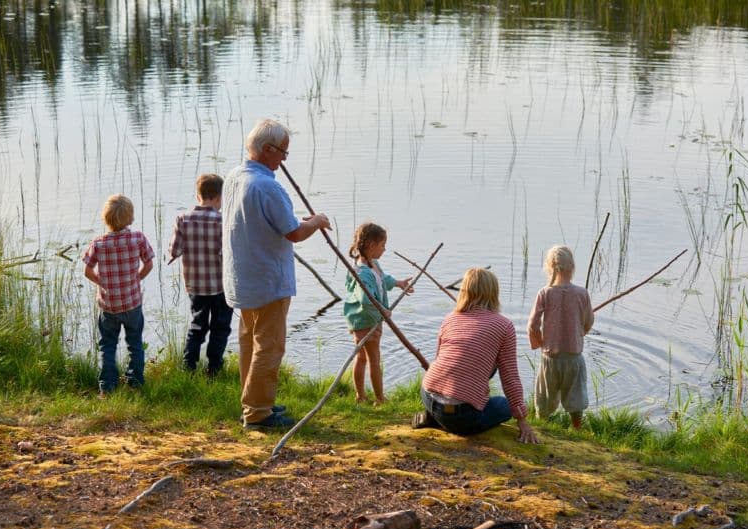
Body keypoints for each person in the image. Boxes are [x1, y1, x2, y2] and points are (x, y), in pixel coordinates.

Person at [222, 119, 331, 429]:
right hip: (267, 280)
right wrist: (317, 221)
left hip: (242, 277)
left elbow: (265, 220)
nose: (284, 159)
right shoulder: (266, 185)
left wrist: (302, 222)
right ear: (268, 150)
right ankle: (258, 413)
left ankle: (255, 403)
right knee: (269, 347)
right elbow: (294, 232)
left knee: (249, 344)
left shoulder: (234, 177)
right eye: (283, 152)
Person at [412, 268, 539, 443]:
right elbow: (510, 377)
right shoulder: (504, 326)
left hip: (428, 396)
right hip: (461, 416)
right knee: (504, 405)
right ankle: (451, 416)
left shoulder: (450, 318)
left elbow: (440, 360)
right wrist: (522, 421)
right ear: (493, 293)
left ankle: (433, 417)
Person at [83, 194, 155, 397]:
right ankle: (135, 383)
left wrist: (102, 282)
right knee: (135, 344)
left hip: (109, 306)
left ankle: (107, 386)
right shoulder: (137, 238)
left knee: (107, 346)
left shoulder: (98, 243)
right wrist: (137, 278)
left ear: (105, 219)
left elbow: (87, 271)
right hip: (132, 303)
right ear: (130, 218)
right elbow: (149, 263)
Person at [169, 173, 233, 377]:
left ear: (199, 196)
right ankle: (214, 368)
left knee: (197, 325)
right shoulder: (223, 221)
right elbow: (229, 254)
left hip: (195, 286)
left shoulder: (183, 219)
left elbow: (174, 251)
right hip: (221, 286)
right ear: (219, 196)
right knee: (220, 327)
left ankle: (188, 366)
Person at [343, 222, 413, 405]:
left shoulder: (374, 264)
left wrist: (398, 283)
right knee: (373, 359)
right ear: (371, 245)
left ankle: (361, 396)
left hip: (370, 317)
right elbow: (366, 299)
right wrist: (383, 310)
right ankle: (379, 398)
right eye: (382, 245)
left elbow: (383, 280)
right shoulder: (361, 272)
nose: (384, 249)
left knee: (363, 357)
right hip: (364, 319)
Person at [527, 245, 594, 429]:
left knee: (545, 397)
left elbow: (532, 324)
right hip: (573, 356)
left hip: (551, 356)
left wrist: (539, 342)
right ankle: (577, 428)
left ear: (549, 268)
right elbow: (588, 321)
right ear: (572, 267)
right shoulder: (582, 294)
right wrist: (581, 332)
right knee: (576, 397)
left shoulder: (545, 293)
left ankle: (542, 426)